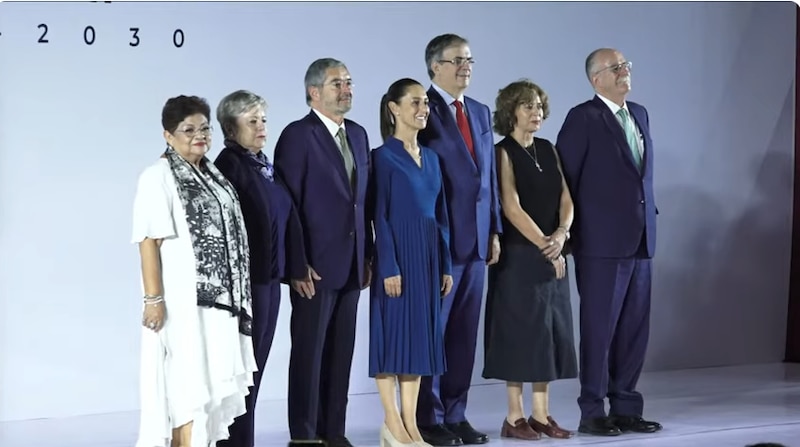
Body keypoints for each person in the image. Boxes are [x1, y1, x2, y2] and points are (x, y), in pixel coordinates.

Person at [131, 95, 257, 447]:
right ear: (168, 135)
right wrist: (153, 299)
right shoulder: (157, 177)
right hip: (184, 303)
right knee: (187, 385)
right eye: (188, 130)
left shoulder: (213, 175)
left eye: (204, 128)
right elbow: (148, 242)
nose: (198, 136)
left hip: (218, 305)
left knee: (211, 387)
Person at [555, 48, 662, 436]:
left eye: (626, 66)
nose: (624, 72)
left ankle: (626, 406)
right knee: (600, 329)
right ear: (596, 79)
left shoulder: (641, 115)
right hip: (599, 243)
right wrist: (566, 234)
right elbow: (563, 179)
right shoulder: (583, 118)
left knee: (634, 329)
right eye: (615, 68)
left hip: (641, 240)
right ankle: (592, 410)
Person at [274, 58, 373, 447]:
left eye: (348, 82)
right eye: (337, 83)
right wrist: (297, 264)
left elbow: (361, 203)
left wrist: (368, 256)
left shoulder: (360, 135)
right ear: (314, 92)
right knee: (309, 354)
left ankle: (334, 432)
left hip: (351, 264)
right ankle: (305, 435)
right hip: (313, 267)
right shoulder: (297, 136)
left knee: (340, 353)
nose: (346, 89)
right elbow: (289, 207)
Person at [415, 33, 502, 447]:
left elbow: (489, 181)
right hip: (441, 241)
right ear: (435, 67)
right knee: (436, 332)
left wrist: (496, 229)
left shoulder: (481, 113)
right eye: (456, 60)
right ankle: (429, 417)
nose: (465, 66)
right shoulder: (422, 111)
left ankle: (457, 413)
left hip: (479, 241)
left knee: (464, 335)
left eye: (469, 59)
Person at [482, 80, 578, 441]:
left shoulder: (548, 149)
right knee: (520, 334)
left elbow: (566, 199)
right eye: (527, 106)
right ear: (511, 112)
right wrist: (545, 244)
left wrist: (562, 235)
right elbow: (510, 206)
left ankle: (541, 415)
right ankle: (513, 417)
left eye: (538, 106)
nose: (536, 112)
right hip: (520, 258)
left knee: (548, 335)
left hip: (552, 251)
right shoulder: (502, 151)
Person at [213, 90, 309, 447]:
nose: (261, 127)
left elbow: (289, 216)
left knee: (254, 371)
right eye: (251, 121)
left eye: (263, 120)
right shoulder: (229, 165)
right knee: (241, 372)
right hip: (246, 285)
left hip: (269, 281)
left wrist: (296, 268)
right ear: (231, 127)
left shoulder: (262, 164)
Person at [369, 78, 454, 447]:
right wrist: (388, 265)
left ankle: (411, 425)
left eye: (426, 103)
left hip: (428, 257)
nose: (424, 109)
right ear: (394, 108)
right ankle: (391, 422)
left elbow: (441, 216)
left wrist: (446, 264)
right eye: (416, 102)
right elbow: (379, 215)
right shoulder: (382, 158)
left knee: (418, 340)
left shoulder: (433, 158)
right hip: (398, 256)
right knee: (392, 340)